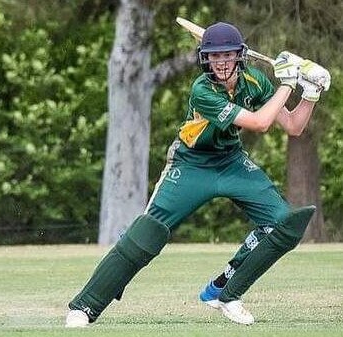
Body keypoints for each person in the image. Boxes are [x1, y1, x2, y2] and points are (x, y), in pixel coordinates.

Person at [65, 21, 331, 327]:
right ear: (205, 58)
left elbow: (294, 127)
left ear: (238, 56)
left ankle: (224, 292)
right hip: (190, 163)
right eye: (213, 56)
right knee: (146, 233)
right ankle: (85, 306)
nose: (220, 62)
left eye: (226, 55)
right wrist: (288, 82)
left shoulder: (254, 81)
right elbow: (259, 123)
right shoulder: (202, 89)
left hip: (231, 161)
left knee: (284, 224)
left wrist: (310, 92)